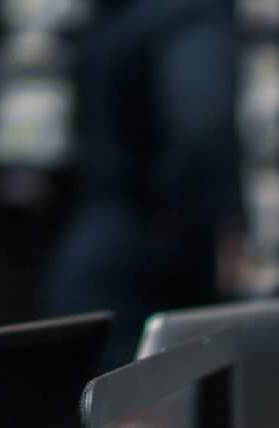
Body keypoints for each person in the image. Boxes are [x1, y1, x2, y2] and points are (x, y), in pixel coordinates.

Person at [46, 0, 237, 370]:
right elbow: (200, 131)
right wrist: (207, 226)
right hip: (146, 251)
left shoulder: (121, 13)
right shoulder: (189, 12)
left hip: (98, 240)